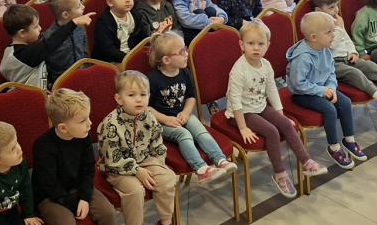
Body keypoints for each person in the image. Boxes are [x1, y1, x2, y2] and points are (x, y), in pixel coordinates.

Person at [33, 89, 116, 225]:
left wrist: (85, 198)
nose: (90, 123)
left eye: (88, 117)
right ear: (63, 127)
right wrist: (73, 204)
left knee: (108, 213)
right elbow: (49, 185)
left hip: (78, 189)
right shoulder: (43, 146)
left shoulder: (82, 136)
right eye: (83, 120)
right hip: (50, 196)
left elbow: (88, 169)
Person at [226, 20, 326, 198]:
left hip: (259, 106)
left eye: (260, 44)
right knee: (272, 131)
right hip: (240, 113)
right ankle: (280, 174)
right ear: (242, 45)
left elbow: (272, 90)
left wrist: (280, 115)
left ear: (268, 45)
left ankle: (306, 162)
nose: (255, 48)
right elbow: (235, 101)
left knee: (286, 125)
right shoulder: (239, 70)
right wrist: (243, 128)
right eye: (250, 43)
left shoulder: (265, 65)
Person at [97, 70, 178, 225]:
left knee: (167, 179)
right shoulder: (110, 125)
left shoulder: (148, 116)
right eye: (131, 95)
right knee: (135, 191)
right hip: (117, 167)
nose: (138, 99)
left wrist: (157, 163)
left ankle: (165, 224)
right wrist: (136, 171)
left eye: (143, 94)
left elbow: (157, 144)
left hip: (145, 159)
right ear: (119, 99)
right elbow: (112, 158)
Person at [147, 32, 234, 182]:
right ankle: (201, 169)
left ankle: (220, 160)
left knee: (201, 130)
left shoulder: (184, 72)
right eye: (181, 52)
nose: (186, 54)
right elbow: (146, 108)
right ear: (166, 60)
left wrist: (187, 112)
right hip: (160, 123)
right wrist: (166, 119)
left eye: (185, 49)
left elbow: (190, 96)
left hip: (183, 115)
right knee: (184, 135)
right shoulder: (153, 79)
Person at [286, 12, 363, 170]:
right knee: (329, 109)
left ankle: (349, 140)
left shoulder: (325, 49)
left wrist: (331, 88)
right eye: (329, 32)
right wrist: (321, 90)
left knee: (345, 102)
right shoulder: (303, 57)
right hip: (303, 94)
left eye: (333, 31)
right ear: (314, 37)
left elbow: (331, 72)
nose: (333, 35)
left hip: (323, 88)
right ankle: (334, 147)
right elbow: (298, 84)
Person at [0, 2, 92, 88]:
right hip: (31, 96)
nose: (40, 28)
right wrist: (73, 23)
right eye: (36, 26)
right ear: (22, 33)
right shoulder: (25, 55)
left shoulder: (13, 50)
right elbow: (51, 43)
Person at [41, 0, 91, 86]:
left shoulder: (80, 26)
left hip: (82, 72)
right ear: (65, 15)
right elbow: (46, 65)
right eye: (78, 6)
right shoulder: (49, 37)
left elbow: (83, 50)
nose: (83, 7)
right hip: (61, 79)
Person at [93, 0, 143, 64]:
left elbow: (142, 38)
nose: (128, 0)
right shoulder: (104, 22)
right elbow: (107, 50)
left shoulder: (137, 16)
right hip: (112, 61)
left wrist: (137, 56)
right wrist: (128, 58)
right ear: (110, 2)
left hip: (133, 57)